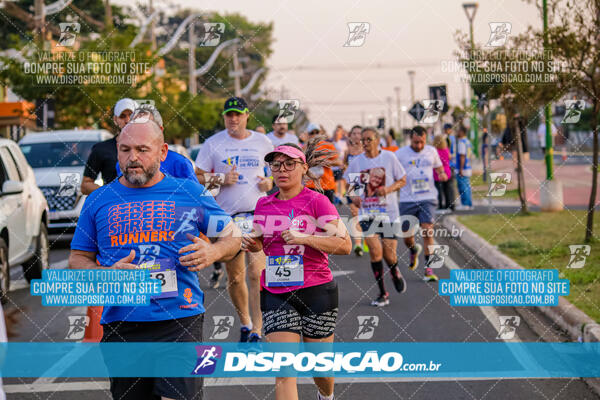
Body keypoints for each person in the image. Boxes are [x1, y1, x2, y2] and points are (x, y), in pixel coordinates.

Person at [69, 119, 240, 400]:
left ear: (163, 152)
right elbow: (77, 258)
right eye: (125, 149)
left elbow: (233, 238)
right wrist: (104, 274)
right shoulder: (99, 200)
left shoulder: (188, 192)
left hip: (180, 319)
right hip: (121, 324)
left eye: (142, 149)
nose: (132, 157)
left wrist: (213, 252)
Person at [242, 141, 352, 400]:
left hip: (316, 290)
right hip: (276, 291)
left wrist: (305, 238)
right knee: (284, 371)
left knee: (320, 369)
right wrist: (253, 243)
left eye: (289, 164)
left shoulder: (318, 202)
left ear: (303, 168)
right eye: (276, 164)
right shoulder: (263, 204)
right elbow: (261, 242)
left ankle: (326, 396)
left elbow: (345, 245)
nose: (282, 169)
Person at [195, 96, 274, 342]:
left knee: (256, 274)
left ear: (247, 116)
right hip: (226, 218)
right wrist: (219, 179)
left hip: (256, 214)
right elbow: (196, 177)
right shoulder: (213, 143)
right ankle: (245, 322)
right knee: (236, 276)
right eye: (229, 115)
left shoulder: (262, 141)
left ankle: (257, 330)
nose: (233, 119)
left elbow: (275, 174)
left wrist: (269, 183)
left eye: (238, 114)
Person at [345, 127, 407, 306]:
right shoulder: (357, 162)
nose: (364, 143)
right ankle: (382, 293)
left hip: (388, 213)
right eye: (362, 140)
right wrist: (354, 197)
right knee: (374, 250)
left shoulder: (389, 157)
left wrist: (387, 189)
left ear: (377, 140)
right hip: (368, 213)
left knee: (390, 255)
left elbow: (402, 179)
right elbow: (352, 188)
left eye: (368, 139)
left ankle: (395, 271)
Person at [395, 126, 447, 282]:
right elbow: (392, 171)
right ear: (411, 139)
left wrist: (442, 173)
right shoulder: (400, 154)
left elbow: (439, 167)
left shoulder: (431, 151)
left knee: (427, 231)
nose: (418, 145)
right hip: (407, 199)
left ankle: (429, 269)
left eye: (421, 142)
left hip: (428, 197)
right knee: (407, 236)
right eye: (416, 142)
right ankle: (413, 249)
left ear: (426, 139)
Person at [115, 105, 198, 182]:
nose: (140, 131)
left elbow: (194, 195)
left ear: (160, 130)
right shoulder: (122, 164)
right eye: (135, 127)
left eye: (147, 127)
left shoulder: (179, 163)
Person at [81, 98, 137, 194]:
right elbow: (85, 185)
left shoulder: (149, 147)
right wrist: (109, 193)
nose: (127, 120)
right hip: (114, 206)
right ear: (115, 119)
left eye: (131, 115)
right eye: (122, 116)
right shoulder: (101, 149)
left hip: (143, 205)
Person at [304, 123, 343, 203]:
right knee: (311, 213)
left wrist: (322, 161)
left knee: (328, 213)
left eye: (317, 132)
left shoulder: (327, 146)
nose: (315, 135)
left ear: (320, 133)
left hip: (327, 185)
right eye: (312, 133)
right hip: (310, 185)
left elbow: (339, 162)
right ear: (308, 134)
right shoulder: (304, 147)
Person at [344, 125, 365, 256]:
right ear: (350, 136)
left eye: (359, 133)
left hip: (365, 183)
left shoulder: (366, 150)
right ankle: (358, 244)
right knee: (355, 213)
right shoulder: (348, 151)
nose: (357, 136)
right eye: (354, 133)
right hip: (352, 183)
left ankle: (367, 238)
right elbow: (344, 166)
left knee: (367, 214)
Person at [432, 135, 453, 211]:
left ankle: (440, 205)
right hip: (447, 171)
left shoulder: (435, 151)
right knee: (447, 190)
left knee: (439, 190)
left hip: (438, 172)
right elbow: (450, 158)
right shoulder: (446, 150)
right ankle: (449, 205)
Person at [455, 126, 473, 210]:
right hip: (468, 166)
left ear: (462, 132)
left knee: (463, 187)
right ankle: (469, 204)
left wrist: (460, 170)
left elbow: (462, 156)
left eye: (458, 131)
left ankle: (465, 204)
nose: (457, 132)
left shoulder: (461, 142)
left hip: (462, 168)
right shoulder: (467, 141)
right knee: (467, 187)